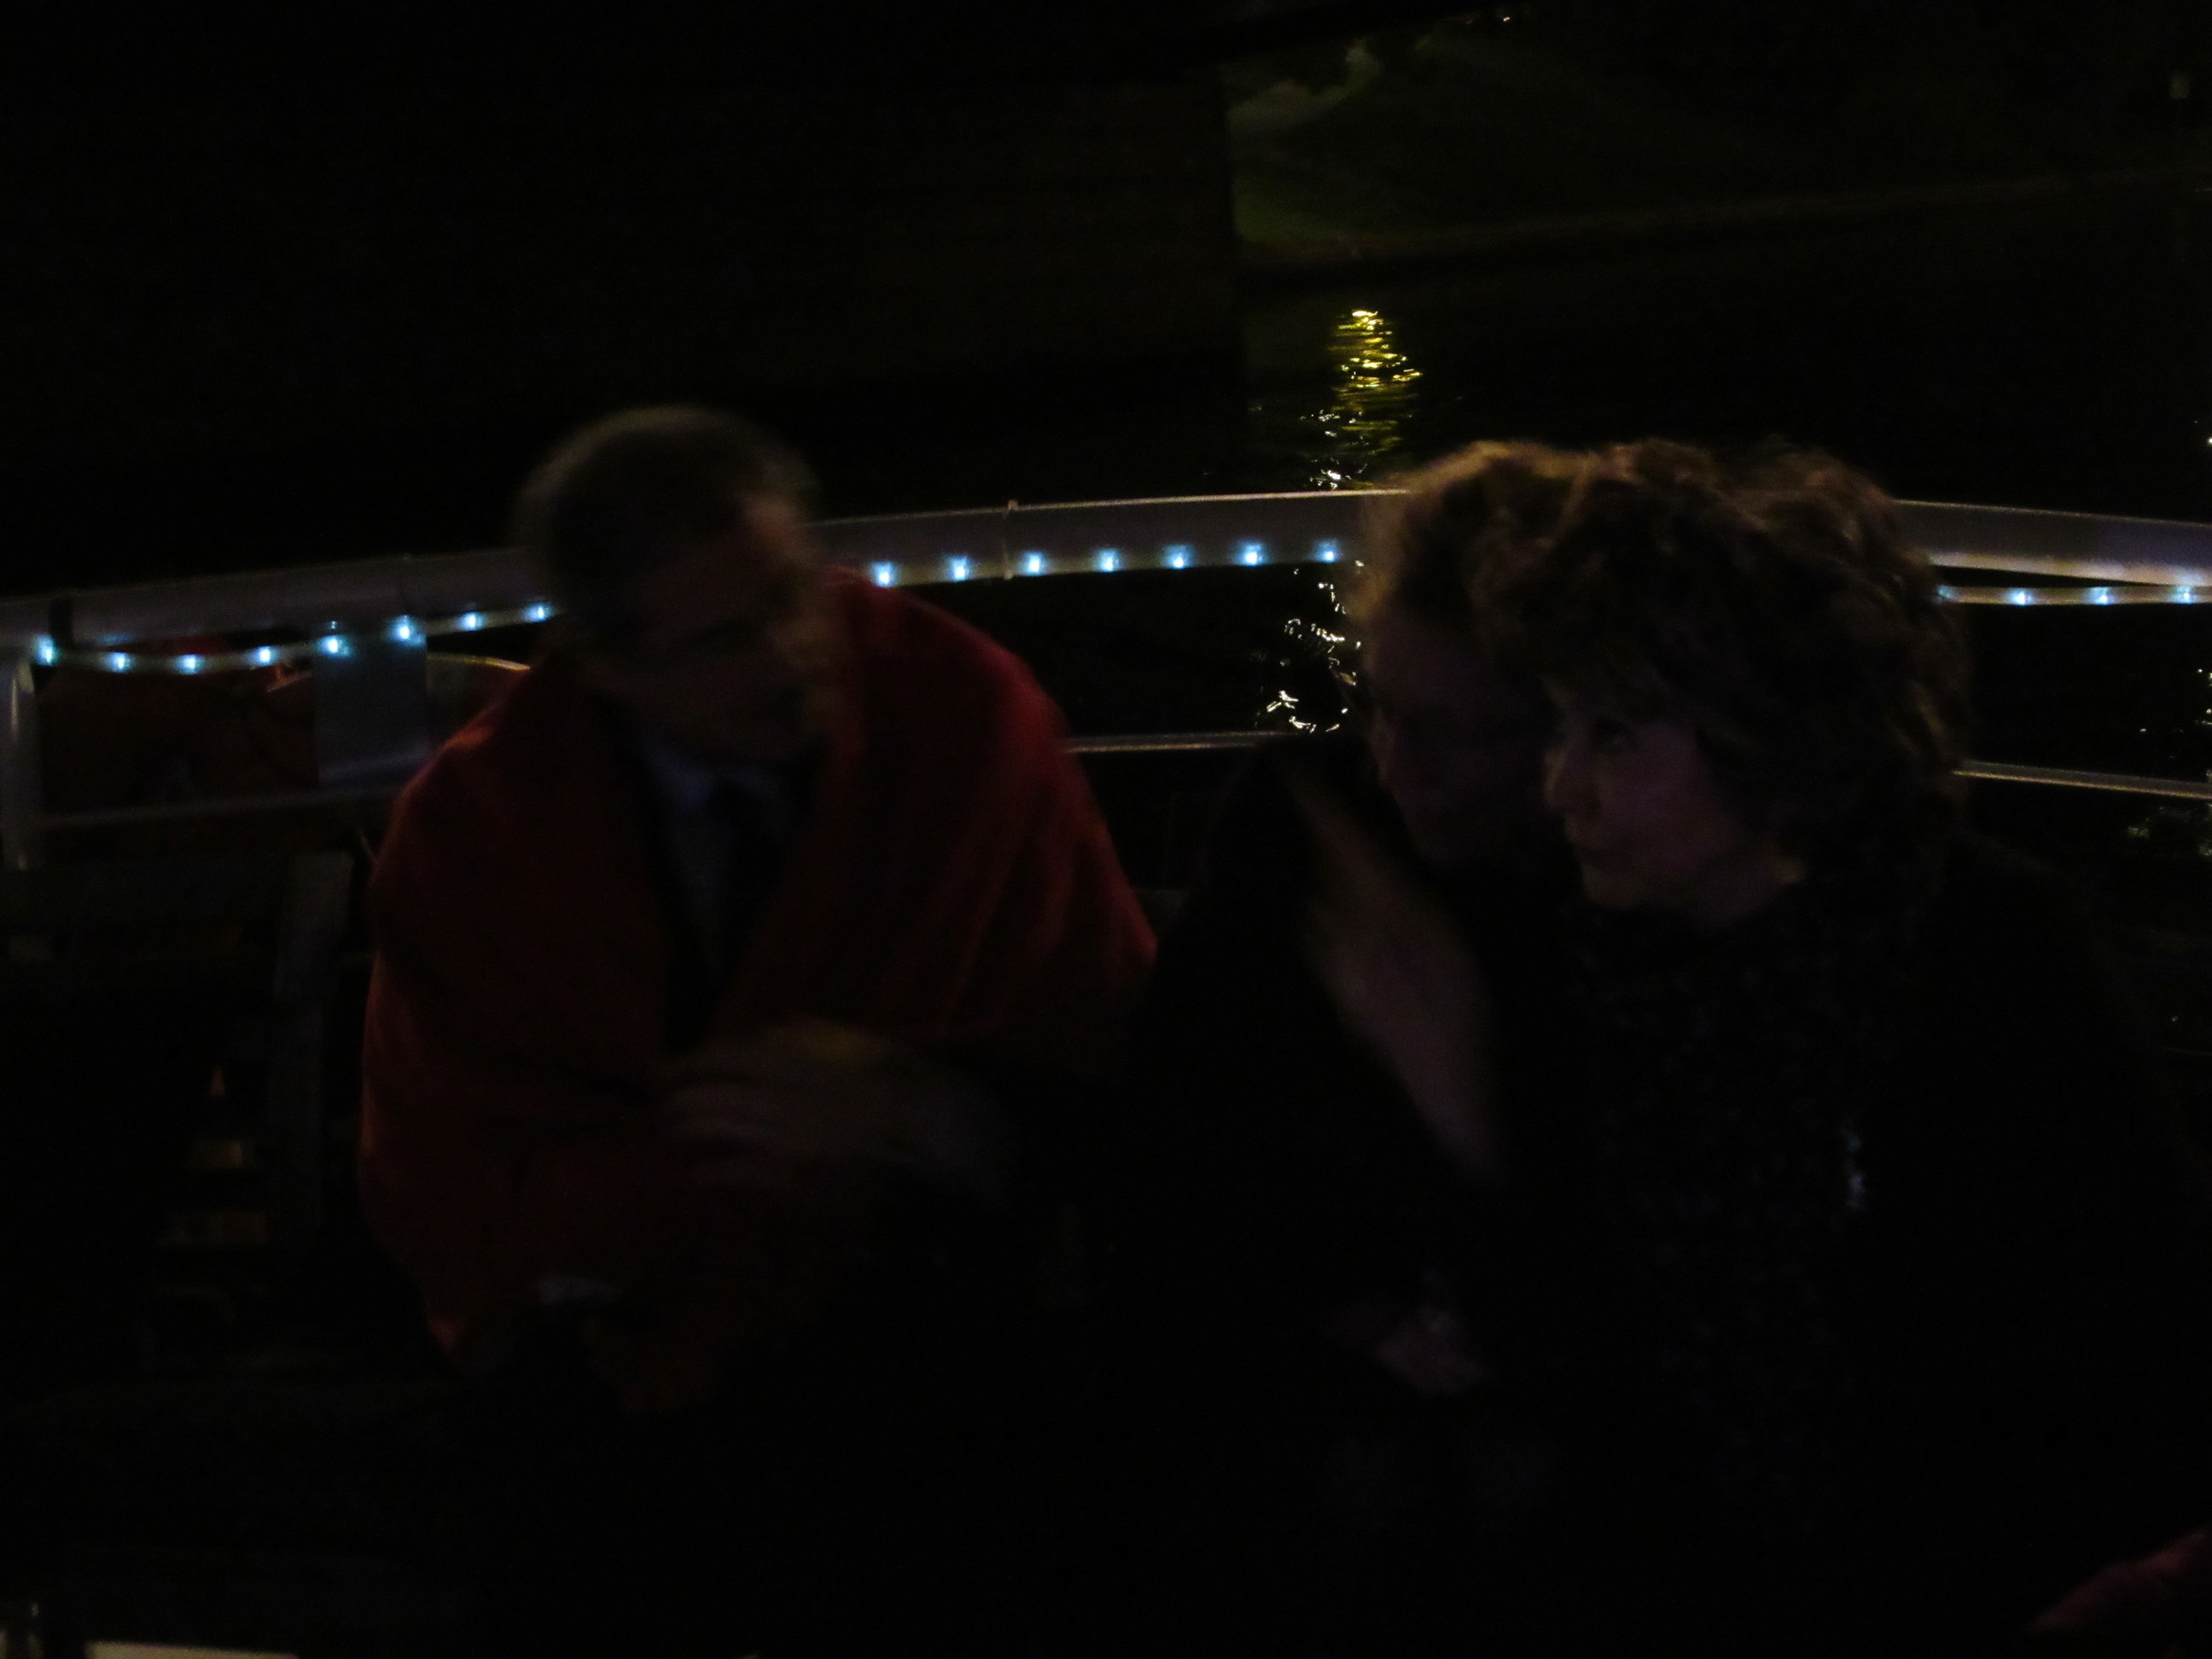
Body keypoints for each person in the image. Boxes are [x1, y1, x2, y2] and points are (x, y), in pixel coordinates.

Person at [1278, 438, 2211, 1654]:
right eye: (1564, 730)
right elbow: (1586, 1347)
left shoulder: (1987, 957)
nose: (1563, 789)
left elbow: (2110, 1355)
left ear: (1766, 740)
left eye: (1617, 737)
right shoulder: (1609, 956)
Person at [357, 406, 1153, 1655]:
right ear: (608, 665)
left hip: (930, 1277)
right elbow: (450, 1162)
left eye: (793, 598)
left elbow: (1106, 1038)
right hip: (624, 1318)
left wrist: (931, 1110)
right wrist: (697, 1170)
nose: (790, 658)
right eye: (725, 638)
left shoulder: (958, 716)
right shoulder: (484, 828)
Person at [1094, 445, 1580, 1654]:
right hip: (1305, 1339)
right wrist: (1348, 1311)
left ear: (1569, 726)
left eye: (1458, 733)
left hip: (1551, 1355)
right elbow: (1164, 1134)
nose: (1400, 768)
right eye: (1381, 710)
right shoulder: (1307, 818)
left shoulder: (1632, 875)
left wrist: (1465, 1095)